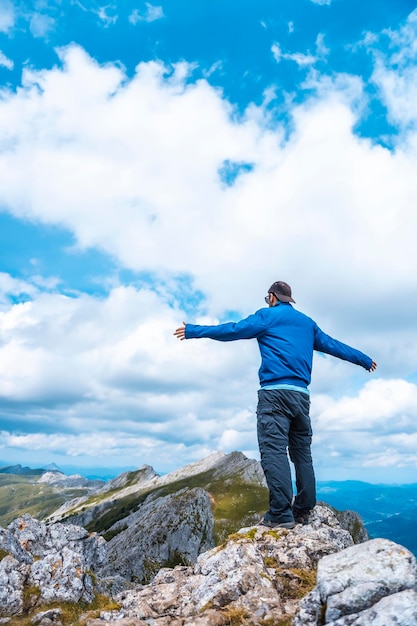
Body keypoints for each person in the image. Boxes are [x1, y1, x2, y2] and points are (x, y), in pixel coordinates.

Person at [174, 281, 377, 529]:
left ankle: (281, 514)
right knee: (302, 453)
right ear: (288, 299)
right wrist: (364, 360)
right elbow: (334, 345)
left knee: (274, 451)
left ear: (272, 297)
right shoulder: (307, 323)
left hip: (274, 396)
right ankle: (302, 508)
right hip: (301, 398)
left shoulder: (267, 316)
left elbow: (233, 330)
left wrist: (194, 330)